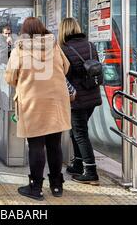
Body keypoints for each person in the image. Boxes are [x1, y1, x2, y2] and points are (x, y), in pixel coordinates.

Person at [5, 17, 71, 200]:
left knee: (36, 145)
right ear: (42, 29)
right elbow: (66, 67)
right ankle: (57, 186)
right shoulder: (54, 45)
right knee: (54, 143)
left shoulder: (20, 49)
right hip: (56, 100)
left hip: (32, 101)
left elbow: (10, 77)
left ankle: (36, 188)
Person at [58, 18, 102, 185]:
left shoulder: (65, 50)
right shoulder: (90, 45)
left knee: (80, 133)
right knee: (76, 131)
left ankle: (91, 171)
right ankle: (77, 164)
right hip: (92, 95)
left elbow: (65, 76)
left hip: (77, 98)